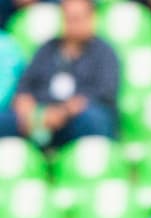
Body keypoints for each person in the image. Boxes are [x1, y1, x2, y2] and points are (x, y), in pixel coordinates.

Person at [0, 0, 119, 147]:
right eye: (68, 18)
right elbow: (25, 86)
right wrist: (28, 110)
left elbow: (103, 93)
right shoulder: (47, 49)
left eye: (78, 18)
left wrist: (62, 112)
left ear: (92, 18)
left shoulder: (104, 52)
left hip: (74, 118)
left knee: (92, 118)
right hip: (40, 116)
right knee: (4, 120)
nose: (73, 24)